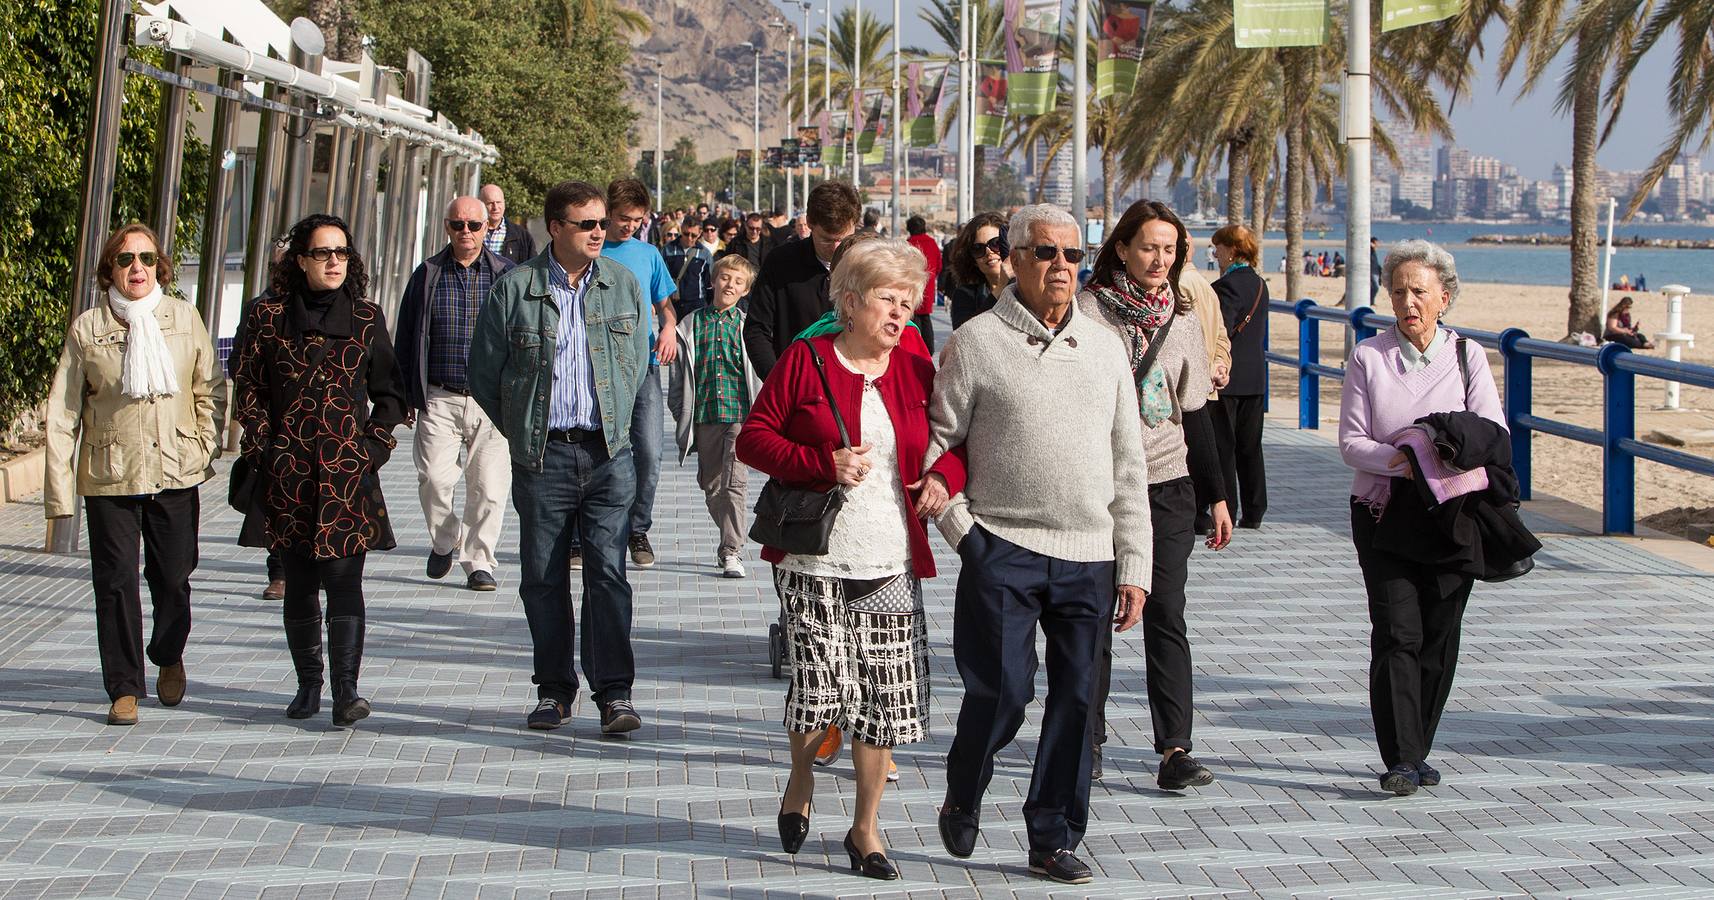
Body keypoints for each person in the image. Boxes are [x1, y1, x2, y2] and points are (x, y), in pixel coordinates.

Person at [929, 204, 1152, 885]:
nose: (1063, 267)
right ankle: (965, 785)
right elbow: (938, 447)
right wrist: (966, 536)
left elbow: (1128, 461)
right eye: (1048, 253)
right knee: (1004, 692)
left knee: (1079, 700)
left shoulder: (1107, 346)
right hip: (1001, 545)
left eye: (1073, 255)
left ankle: (1051, 835)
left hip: (1090, 552)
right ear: (1016, 259)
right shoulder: (975, 342)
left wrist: (1135, 563)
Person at [735, 237, 948, 881]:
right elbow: (754, 438)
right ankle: (800, 779)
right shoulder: (806, 359)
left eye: (909, 301)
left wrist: (945, 477)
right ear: (851, 302)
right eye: (889, 299)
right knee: (820, 693)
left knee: (884, 697)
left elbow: (951, 438)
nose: (901, 313)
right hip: (815, 556)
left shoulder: (914, 361)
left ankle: (866, 827)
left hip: (890, 555)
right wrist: (820, 463)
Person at [467, 180, 651, 735]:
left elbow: (636, 362)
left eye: (603, 223)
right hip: (543, 457)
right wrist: (525, 433)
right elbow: (484, 373)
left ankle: (615, 694)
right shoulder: (514, 289)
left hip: (607, 455)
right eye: (587, 224)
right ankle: (553, 692)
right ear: (556, 229)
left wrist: (613, 426)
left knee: (608, 575)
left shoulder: (621, 285)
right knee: (543, 577)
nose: (601, 232)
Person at [1339, 240, 1504, 795]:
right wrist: (1403, 461)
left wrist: (1439, 454)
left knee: (1439, 635)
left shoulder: (1468, 356)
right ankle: (1402, 758)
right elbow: (1351, 444)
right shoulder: (1368, 357)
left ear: (1444, 298)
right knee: (1396, 634)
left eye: (1420, 291)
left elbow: (1493, 432)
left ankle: (1420, 746)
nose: (1408, 302)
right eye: (1399, 290)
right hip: (1383, 511)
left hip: (1453, 515)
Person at [1079, 200, 1233, 789]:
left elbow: (1196, 414)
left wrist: (1216, 496)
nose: (1158, 259)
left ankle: (1175, 749)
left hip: (1167, 485)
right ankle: (1086, 738)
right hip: (1099, 485)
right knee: (1093, 616)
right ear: (1121, 248)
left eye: (1169, 250)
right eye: (1148, 247)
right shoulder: (1088, 313)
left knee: (1166, 611)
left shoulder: (1185, 319)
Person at [232, 213, 408, 728]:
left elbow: (390, 394)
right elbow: (247, 387)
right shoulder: (266, 316)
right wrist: (267, 444)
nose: (334, 261)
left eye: (342, 253)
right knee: (300, 579)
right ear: (301, 260)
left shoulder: (366, 318)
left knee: (345, 578)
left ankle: (346, 691)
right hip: (288, 470)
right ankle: (308, 684)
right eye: (323, 253)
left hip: (346, 472)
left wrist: (371, 448)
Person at [45, 223, 219, 726]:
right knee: (115, 581)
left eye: (145, 258)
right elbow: (63, 413)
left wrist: (204, 446)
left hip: (175, 470)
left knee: (173, 575)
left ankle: (168, 651)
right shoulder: (88, 329)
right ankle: (123, 687)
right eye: (125, 260)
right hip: (110, 475)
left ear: (160, 266)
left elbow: (209, 387)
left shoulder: (184, 319)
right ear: (110, 270)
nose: (136, 268)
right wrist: (59, 498)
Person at [394, 196, 516, 592]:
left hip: (492, 399)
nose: (465, 232)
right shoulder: (427, 274)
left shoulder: (506, 275)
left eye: (473, 225)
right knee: (433, 478)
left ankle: (479, 561)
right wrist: (406, 395)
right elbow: (407, 336)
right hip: (438, 396)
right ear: (446, 227)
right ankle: (446, 539)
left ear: (487, 228)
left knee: (489, 487)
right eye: (457, 225)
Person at [594, 178, 680, 570]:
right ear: (608, 213)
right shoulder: (589, 249)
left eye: (638, 220)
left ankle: (637, 528)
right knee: (594, 450)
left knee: (649, 450)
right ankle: (586, 533)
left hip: (642, 366)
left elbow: (666, 306)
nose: (629, 226)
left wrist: (667, 329)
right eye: (624, 219)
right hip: (596, 367)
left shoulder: (648, 254)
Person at [669, 254, 762, 578]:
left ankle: (731, 550)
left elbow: (757, 374)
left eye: (738, 281)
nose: (730, 285)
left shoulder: (748, 326)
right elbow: (679, 378)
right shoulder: (690, 325)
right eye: (725, 278)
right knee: (711, 485)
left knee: (735, 485)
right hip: (705, 415)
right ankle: (728, 538)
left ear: (745, 290)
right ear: (713, 281)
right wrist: (680, 412)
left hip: (739, 416)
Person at [228, 233, 291, 602]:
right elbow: (239, 364)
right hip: (272, 423)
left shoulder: (333, 307)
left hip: (319, 424)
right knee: (276, 498)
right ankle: (279, 571)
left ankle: (310, 568)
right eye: (276, 266)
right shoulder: (257, 309)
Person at [744, 180, 862, 377]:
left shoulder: (869, 266)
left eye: (842, 239)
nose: (835, 248)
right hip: (796, 384)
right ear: (809, 223)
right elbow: (756, 330)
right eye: (826, 239)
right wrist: (778, 381)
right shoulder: (781, 262)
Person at [1210, 224, 1269, 528]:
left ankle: (1227, 510)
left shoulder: (1225, 287)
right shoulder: (1260, 284)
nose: (1215, 252)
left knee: (1225, 447)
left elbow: (1223, 331)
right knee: (1250, 446)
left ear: (1231, 250)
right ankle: (1256, 509)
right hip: (1256, 378)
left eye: (1218, 247)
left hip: (1228, 379)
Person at [945, 212, 1013, 330]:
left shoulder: (1029, 290)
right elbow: (964, 333)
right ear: (972, 259)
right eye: (978, 249)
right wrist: (1001, 286)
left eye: (996, 244)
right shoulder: (965, 295)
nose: (988, 252)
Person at [904, 215, 942, 351]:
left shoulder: (908, 244)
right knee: (926, 317)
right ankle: (929, 347)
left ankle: (914, 347)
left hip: (911, 285)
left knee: (912, 317)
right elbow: (939, 265)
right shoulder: (932, 242)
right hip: (928, 284)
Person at [481, 183, 537, 265]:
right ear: (481, 204)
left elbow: (532, 267)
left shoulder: (521, 236)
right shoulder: (471, 230)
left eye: (499, 202)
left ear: (504, 204)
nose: (495, 207)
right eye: (490, 203)